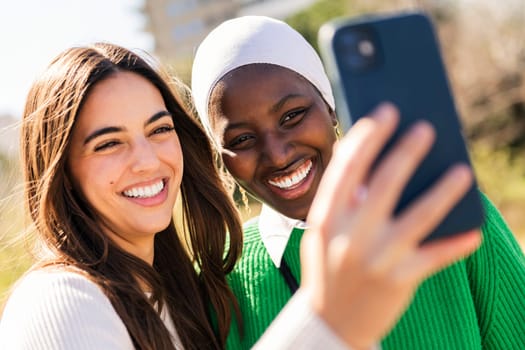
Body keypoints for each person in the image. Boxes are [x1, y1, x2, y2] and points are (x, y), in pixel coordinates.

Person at [0, 42, 479, 350]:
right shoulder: (59, 300)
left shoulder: (181, 297)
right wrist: (329, 320)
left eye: (159, 129)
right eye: (108, 143)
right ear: (62, 169)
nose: (147, 161)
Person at [191, 15, 525, 349]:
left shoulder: (445, 211)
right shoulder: (220, 281)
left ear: (330, 107)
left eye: (292, 116)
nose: (277, 155)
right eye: (242, 140)